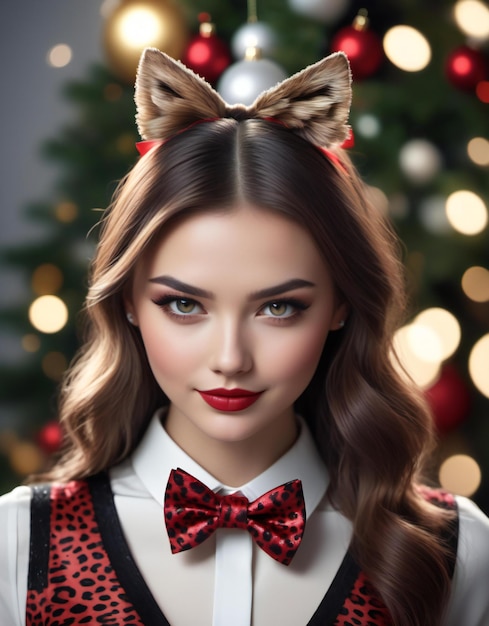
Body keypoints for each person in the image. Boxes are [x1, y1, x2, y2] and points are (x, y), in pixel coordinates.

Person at [1, 48, 488, 626]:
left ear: (340, 305)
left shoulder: (456, 550)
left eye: (279, 307)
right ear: (129, 301)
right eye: (184, 304)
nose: (230, 359)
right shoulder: (19, 545)